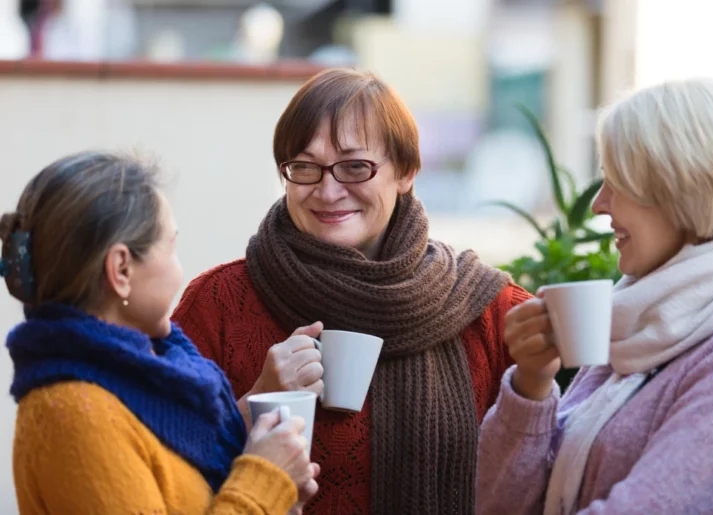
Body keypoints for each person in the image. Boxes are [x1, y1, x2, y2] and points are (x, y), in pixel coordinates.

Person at [172, 67, 531, 514]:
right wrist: (251, 405)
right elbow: (159, 476)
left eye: (355, 166)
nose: (328, 190)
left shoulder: (490, 311)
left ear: (405, 171)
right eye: (304, 167)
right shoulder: (218, 303)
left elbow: (548, 472)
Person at [476, 78, 713, 514]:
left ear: (683, 186)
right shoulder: (641, 320)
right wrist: (533, 382)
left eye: (616, 182)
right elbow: (498, 504)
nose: (598, 204)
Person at [2, 152, 320, 514]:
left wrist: (280, 495)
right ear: (121, 269)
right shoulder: (76, 414)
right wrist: (265, 481)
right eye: (171, 246)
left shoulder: (151, 377)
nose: (178, 269)